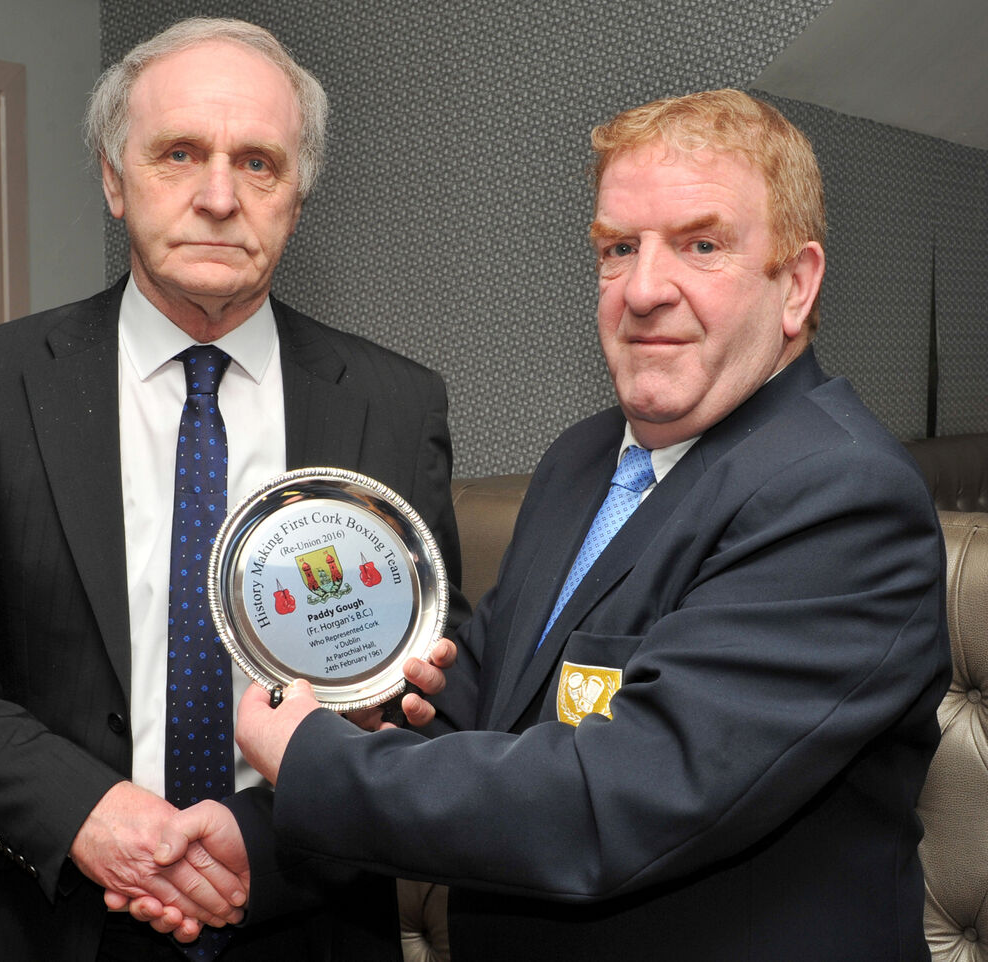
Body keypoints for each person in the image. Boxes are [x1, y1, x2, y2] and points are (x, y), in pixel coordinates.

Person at [235, 89, 951, 961]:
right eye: (619, 248)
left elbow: (614, 800)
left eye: (701, 244)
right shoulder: (586, 458)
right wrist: (336, 720)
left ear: (796, 285)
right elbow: (485, 694)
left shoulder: (842, 495)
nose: (645, 290)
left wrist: (310, 759)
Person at [0, 16, 466, 962]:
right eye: (179, 153)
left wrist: (398, 708)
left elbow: (433, 662)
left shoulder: (395, 403)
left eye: (258, 162)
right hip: (47, 911)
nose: (219, 196)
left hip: (306, 907)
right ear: (113, 178)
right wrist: (90, 813)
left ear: (297, 195)